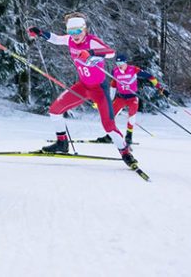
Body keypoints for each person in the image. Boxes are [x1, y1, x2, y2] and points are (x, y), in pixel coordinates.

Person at [27, 13, 138, 169]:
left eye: (78, 31)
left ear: (84, 29)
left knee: (108, 125)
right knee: (54, 110)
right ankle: (62, 142)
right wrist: (39, 33)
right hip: (83, 86)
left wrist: (91, 53)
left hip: (99, 89)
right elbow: (57, 39)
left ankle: (125, 152)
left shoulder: (91, 41)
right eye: (71, 32)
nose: (75, 35)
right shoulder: (70, 40)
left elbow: (111, 52)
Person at [95, 53, 169, 145]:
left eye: (121, 63)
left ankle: (129, 136)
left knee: (132, 116)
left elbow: (150, 77)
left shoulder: (133, 69)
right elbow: (113, 85)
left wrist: (160, 88)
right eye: (117, 64)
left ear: (126, 63)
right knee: (110, 116)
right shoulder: (115, 71)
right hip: (120, 98)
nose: (119, 66)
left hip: (132, 98)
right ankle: (111, 136)